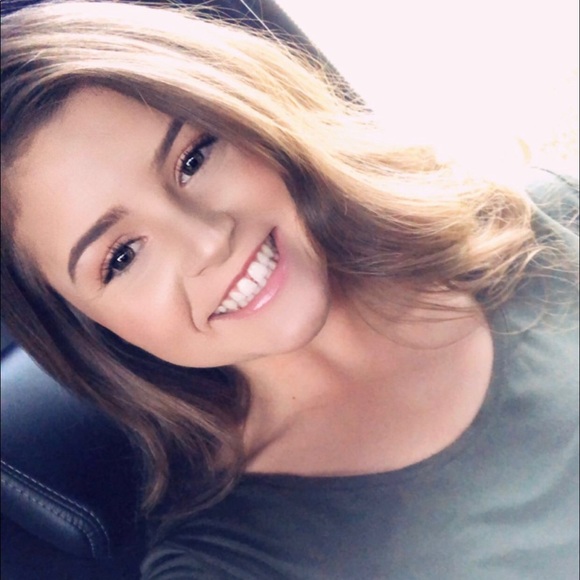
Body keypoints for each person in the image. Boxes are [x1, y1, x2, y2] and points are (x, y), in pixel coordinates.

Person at [1, 1, 578, 578]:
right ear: (79, 323)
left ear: (253, 117)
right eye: (122, 257)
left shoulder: (550, 217)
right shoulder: (226, 564)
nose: (208, 240)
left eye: (193, 159)